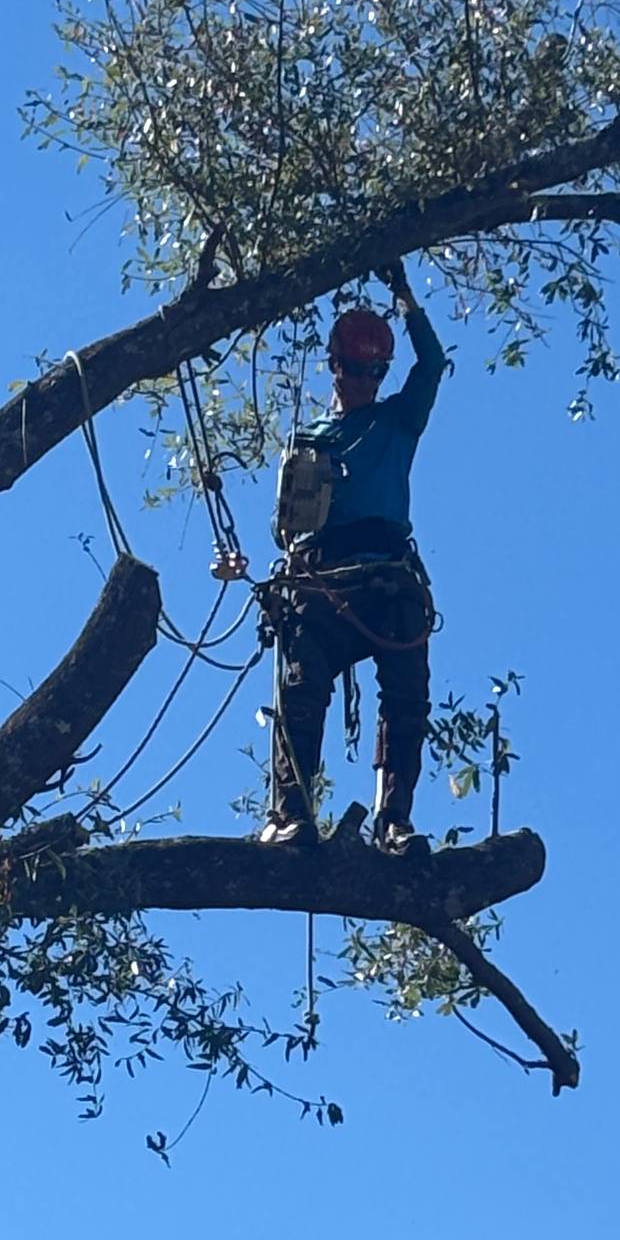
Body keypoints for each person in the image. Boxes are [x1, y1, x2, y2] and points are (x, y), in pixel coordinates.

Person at [262, 260, 446, 851]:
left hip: (388, 573)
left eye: (375, 369)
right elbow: (283, 525)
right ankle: (292, 814)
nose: (365, 378)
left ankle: (393, 820)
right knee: (300, 688)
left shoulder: (399, 420)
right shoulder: (311, 437)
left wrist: (405, 299)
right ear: (335, 366)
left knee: (406, 696)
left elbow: (434, 364)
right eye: (355, 367)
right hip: (324, 577)